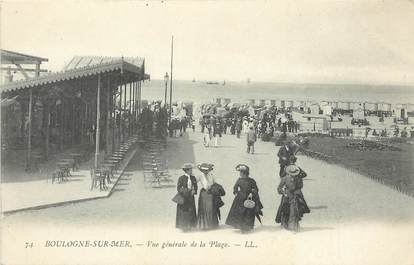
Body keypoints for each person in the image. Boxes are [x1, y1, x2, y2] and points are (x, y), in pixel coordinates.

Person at [226, 164, 263, 233]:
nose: (240, 174)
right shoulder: (239, 180)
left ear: (245, 173)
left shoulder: (251, 180)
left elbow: (256, 188)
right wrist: (236, 192)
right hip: (240, 199)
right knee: (240, 213)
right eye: (240, 172)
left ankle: (248, 227)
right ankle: (241, 227)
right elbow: (235, 187)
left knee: (249, 213)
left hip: (249, 199)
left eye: (241, 173)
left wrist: (252, 193)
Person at [275, 165, 310, 232]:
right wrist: (283, 192)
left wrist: (297, 193)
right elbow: (279, 188)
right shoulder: (284, 178)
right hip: (286, 196)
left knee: (294, 211)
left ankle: (293, 227)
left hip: (295, 196)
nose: (293, 175)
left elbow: (300, 186)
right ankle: (284, 226)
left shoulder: (298, 178)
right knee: (284, 210)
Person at [196, 163, 226, 230]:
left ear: (209, 170)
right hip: (204, 194)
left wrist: (215, 187)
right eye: (204, 170)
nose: (205, 172)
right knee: (203, 209)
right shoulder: (200, 176)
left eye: (206, 170)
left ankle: (212, 225)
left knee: (211, 208)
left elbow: (216, 183)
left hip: (211, 194)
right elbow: (194, 182)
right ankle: (204, 225)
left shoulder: (211, 175)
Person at [176, 163, 198, 231]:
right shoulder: (181, 178)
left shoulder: (193, 177)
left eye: (191, 169)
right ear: (186, 170)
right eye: (190, 170)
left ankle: (190, 226)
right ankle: (184, 227)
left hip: (191, 197)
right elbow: (179, 188)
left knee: (191, 211)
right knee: (184, 212)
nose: (191, 171)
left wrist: (194, 191)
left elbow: (195, 186)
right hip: (184, 197)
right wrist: (185, 191)